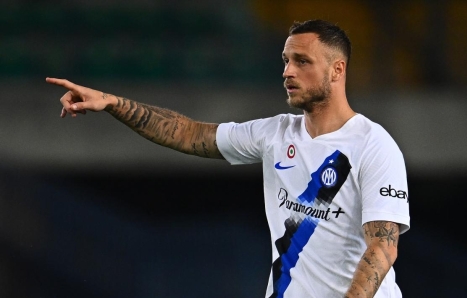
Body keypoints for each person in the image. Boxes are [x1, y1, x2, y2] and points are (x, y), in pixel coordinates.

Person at [47, 19, 410, 298]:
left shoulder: (373, 145)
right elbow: (190, 133)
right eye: (285, 61)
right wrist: (113, 103)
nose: (287, 72)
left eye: (302, 61)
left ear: (337, 70)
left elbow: (382, 248)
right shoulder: (275, 133)